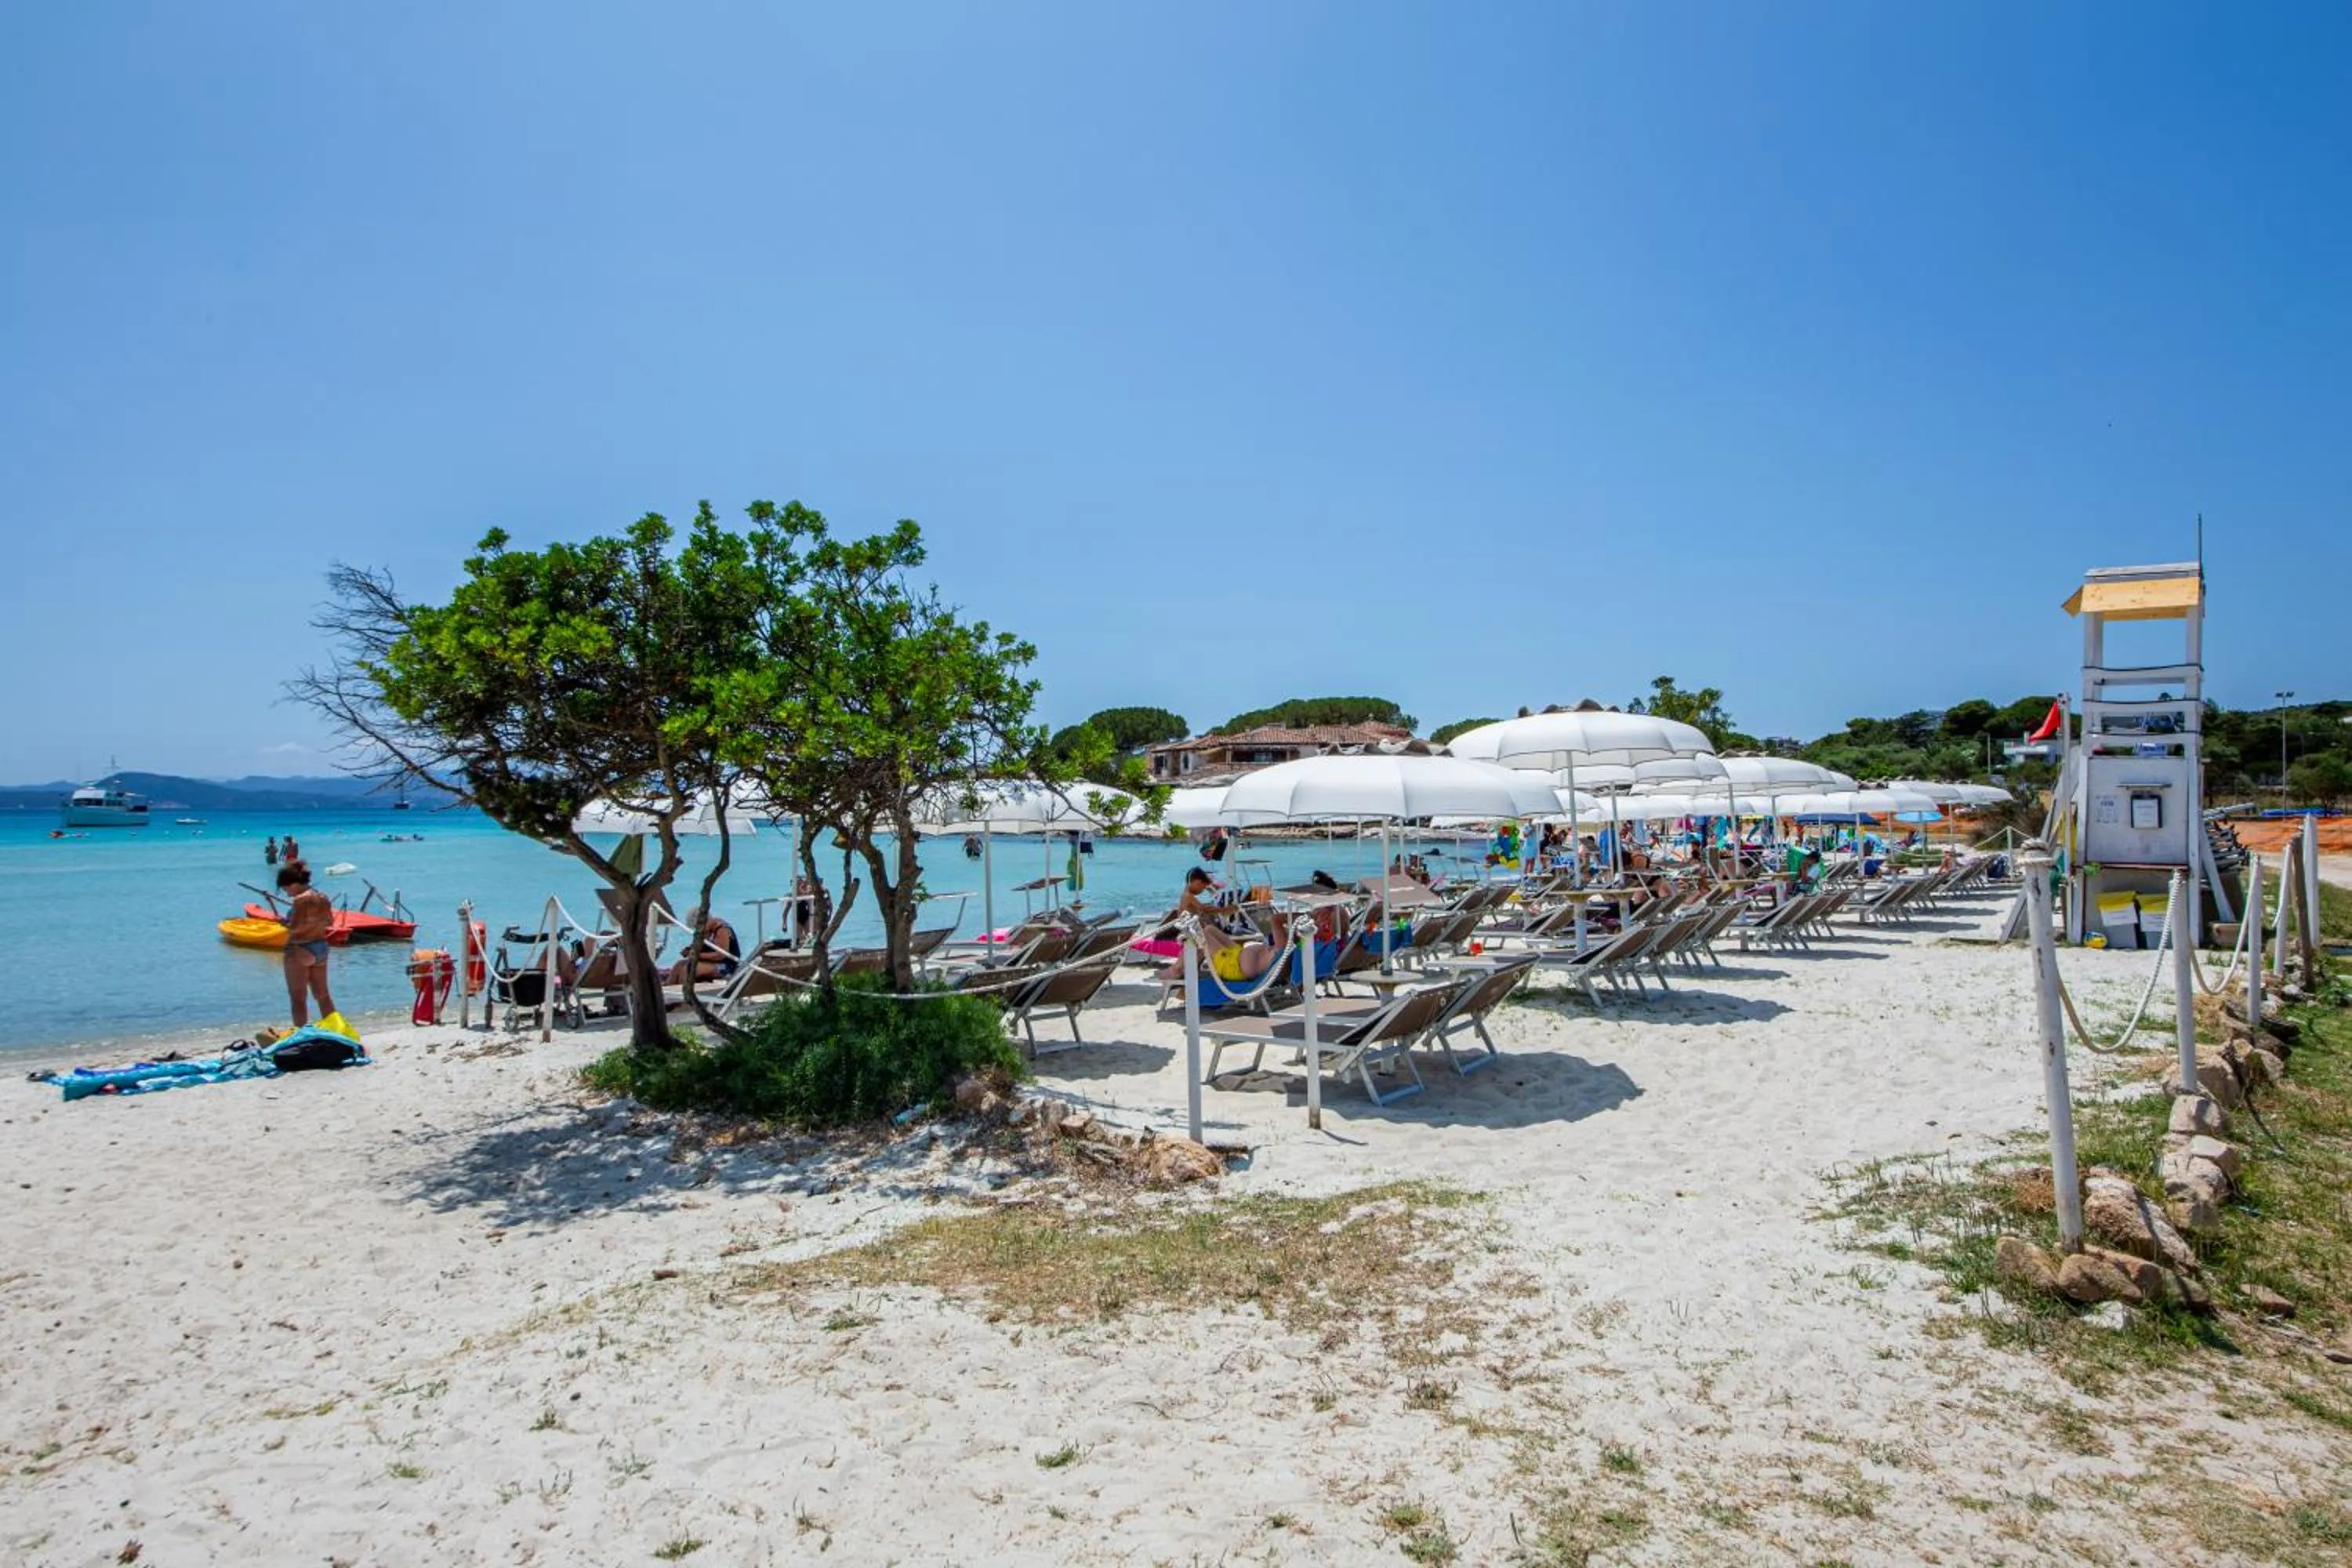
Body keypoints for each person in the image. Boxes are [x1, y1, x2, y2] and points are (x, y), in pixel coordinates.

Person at [278, 862, 337, 1028]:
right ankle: (335, 1030)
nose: (287, 893)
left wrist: (285, 923)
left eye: (286, 888)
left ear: (295, 884)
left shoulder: (300, 901)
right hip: (321, 947)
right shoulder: (323, 897)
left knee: (298, 999)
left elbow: (296, 927)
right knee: (323, 995)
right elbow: (329, 921)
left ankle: (302, 1036)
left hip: (300, 948)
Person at [666, 909, 739, 984]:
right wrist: (689, 950)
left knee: (688, 969)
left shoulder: (721, 929)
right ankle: (667, 988)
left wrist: (697, 955)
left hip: (725, 965)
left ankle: (684, 991)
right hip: (711, 961)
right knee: (679, 965)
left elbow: (720, 955)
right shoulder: (706, 930)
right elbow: (699, 946)